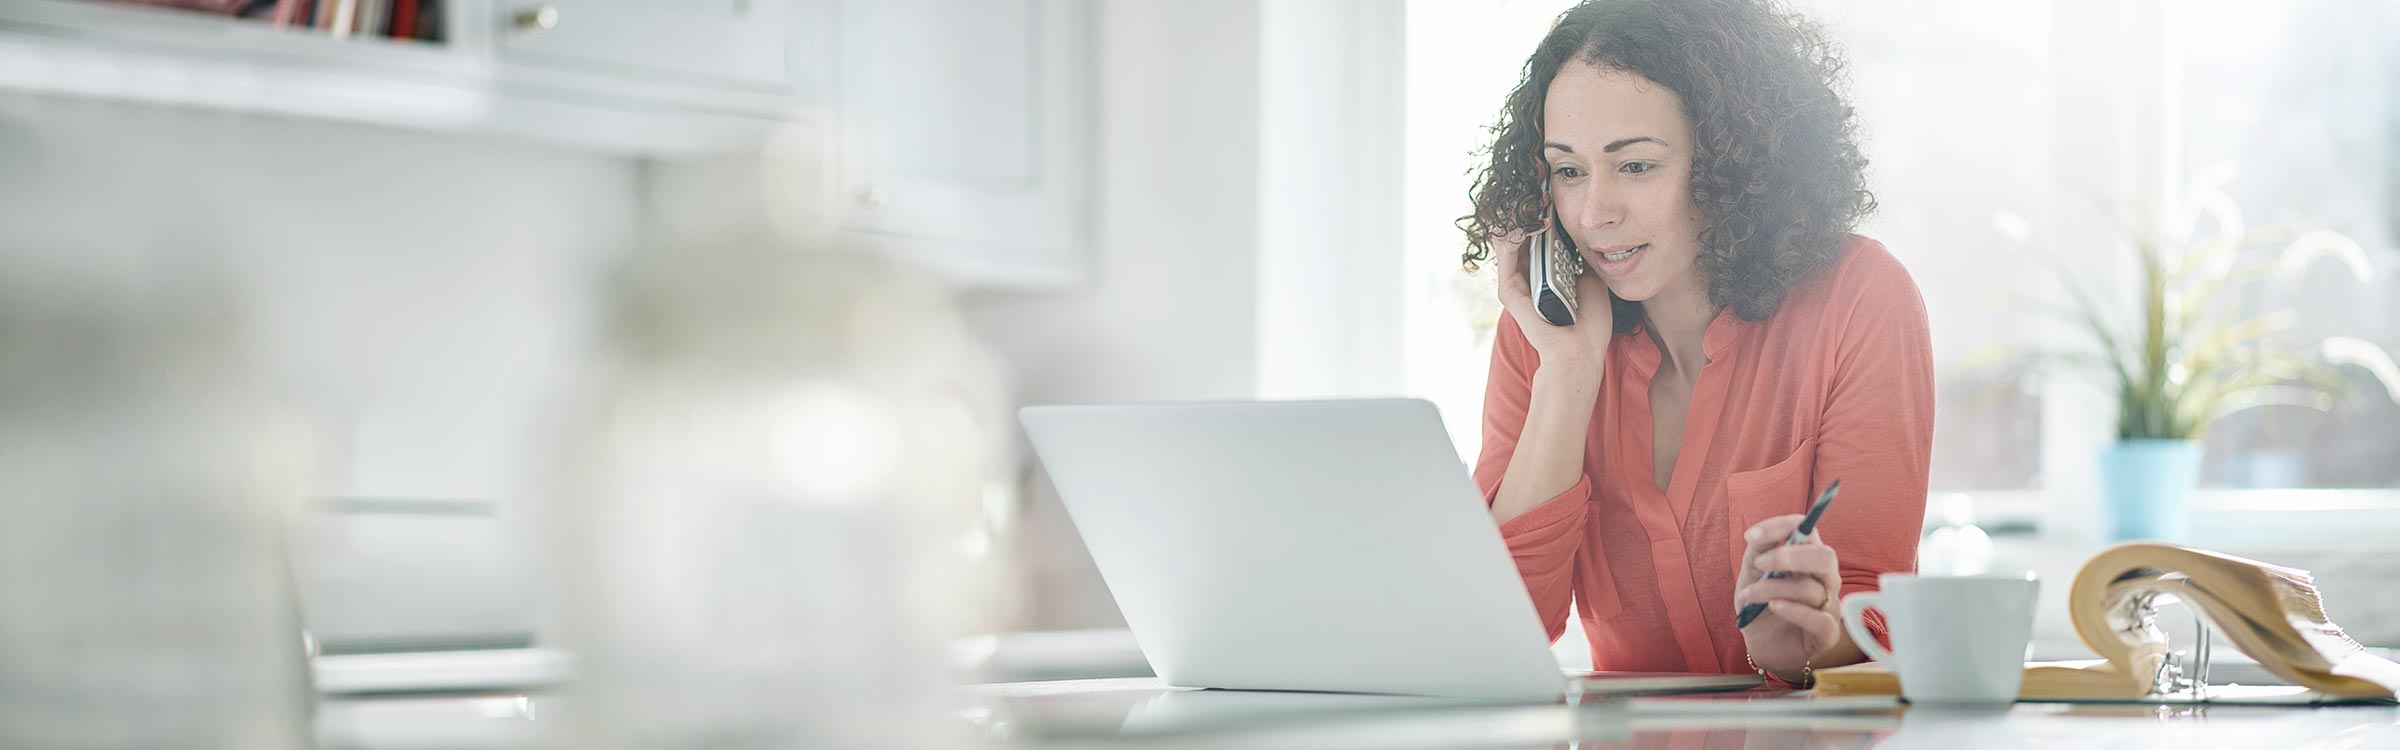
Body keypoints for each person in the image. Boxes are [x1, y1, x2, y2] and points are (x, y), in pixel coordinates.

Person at [1457, 0, 1933, 688]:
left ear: (1730, 164)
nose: (1595, 213)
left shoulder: (1859, 299)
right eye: (1568, 171)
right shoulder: (1541, 335)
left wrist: (1802, 643)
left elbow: (1873, 618)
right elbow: (1495, 631)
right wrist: (1568, 369)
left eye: (1637, 166)